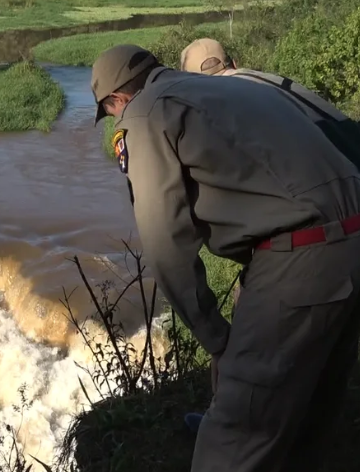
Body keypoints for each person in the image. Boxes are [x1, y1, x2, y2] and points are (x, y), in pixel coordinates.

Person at [90, 44, 360, 472]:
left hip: (303, 254)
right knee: (313, 405)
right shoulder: (231, 85)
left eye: (110, 112)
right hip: (350, 237)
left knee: (235, 435)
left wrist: (216, 339)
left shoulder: (143, 115)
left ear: (116, 100)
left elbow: (165, 244)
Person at [180, 37, 360, 170]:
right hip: (350, 138)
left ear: (193, 83)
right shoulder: (270, 79)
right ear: (234, 63)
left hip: (338, 175)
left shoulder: (223, 99)